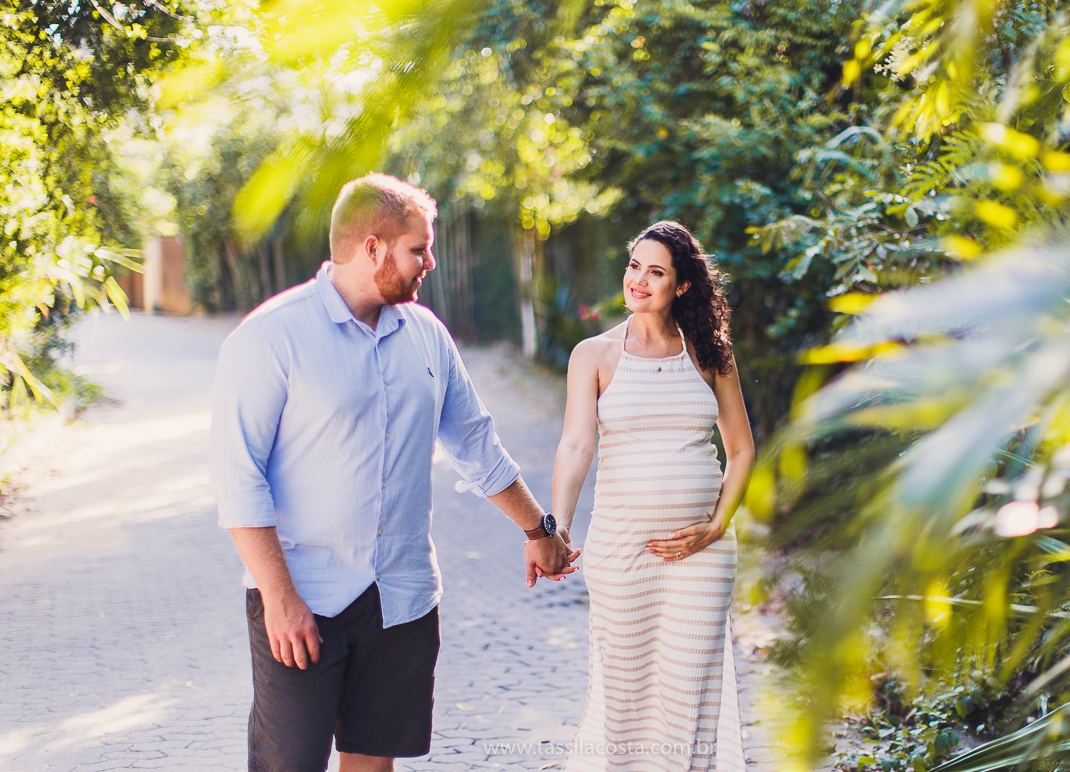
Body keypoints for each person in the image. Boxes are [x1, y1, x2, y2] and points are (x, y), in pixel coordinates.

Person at [209, 173, 578, 772]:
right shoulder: (271, 338)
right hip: (303, 598)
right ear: (372, 248)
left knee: (373, 765)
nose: (429, 261)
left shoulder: (427, 336)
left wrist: (539, 530)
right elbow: (237, 478)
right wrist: (279, 598)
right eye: (419, 248)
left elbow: (475, 443)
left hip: (401, 599)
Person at [553, 221, 755, 771]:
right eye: (634, 266)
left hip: (704, 557)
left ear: (683, 285)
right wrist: (559, 526)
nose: (638, 280)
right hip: (621, 554)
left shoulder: (711, 353)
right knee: (624, 699)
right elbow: (576, 445)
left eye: (656, 271)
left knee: (690, 697)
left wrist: (715, 527)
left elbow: (741, 451)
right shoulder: (592, 355)